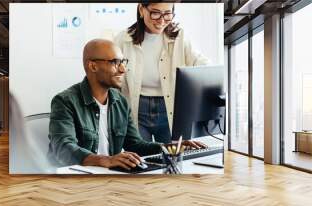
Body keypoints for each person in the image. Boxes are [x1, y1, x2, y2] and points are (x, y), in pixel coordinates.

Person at [48, 39, 206, 170]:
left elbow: (135, 144)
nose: (123, 69)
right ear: (93, 66)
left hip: (108, 175)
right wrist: (106, 160)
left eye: (123, 62)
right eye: (115, 62)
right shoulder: (65, 101)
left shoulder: (120, 101)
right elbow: (63, 148)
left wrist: (171, 147)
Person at [114, 3, 210, 143]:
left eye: (167, 14)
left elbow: (201, 63)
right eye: (155, 13)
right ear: (142, 10)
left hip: (169, 107)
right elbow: (111, 74)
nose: (161, 20)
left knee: (173, 157)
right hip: (137, 108)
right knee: (143, 159)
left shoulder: (179, 37)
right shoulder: (123, 39)